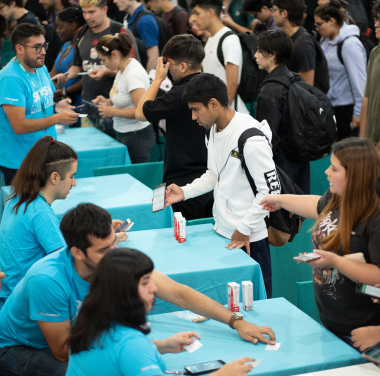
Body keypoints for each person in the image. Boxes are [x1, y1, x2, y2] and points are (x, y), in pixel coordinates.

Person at [0, 203, 275, 375]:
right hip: (21, 348)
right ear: (77, 253)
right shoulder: (47, 280)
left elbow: (179, 292)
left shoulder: (113, 267)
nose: (153, 289)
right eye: (104, 249)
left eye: (114, 243)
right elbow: (63, 351)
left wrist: (235, 319)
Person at [164, 73, 278, 297]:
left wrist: (244, 229)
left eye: (196, 109)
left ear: (214, 104)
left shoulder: (251, 138)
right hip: (223, 232)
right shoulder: (212, 131)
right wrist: (184, 192)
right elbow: (213, 175)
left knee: (255, 305)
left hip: (248, 240)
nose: (193, 116)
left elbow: (271, 191)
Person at [259, 137, 380, 343]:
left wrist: (335, 261)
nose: (327, 172)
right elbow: (317, 206)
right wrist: (280, 200)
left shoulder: (374, 219)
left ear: (355, 175)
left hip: (363, 329)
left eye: (334, 169)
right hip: (332, 321)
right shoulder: (339, 197)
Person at [66, 247, 255, 376]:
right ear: (124, 291)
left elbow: (113, 357)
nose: (154, 288)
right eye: (145, 282)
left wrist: (161, 346)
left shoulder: (93, 322)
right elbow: (128, 351)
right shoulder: (132, 344)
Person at [136, 34, 213, 219]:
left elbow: (140, 113)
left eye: (168, 64)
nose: (166, 69)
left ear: (183, 66)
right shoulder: (213, 85)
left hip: (182, 178)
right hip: (211, 175)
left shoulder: (179, 93)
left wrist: (157, 79)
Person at [0, 136, 77, 308]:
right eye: (72, 176)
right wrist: (106, 242)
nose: (74, 183)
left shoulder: (18, 198)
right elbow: (68, 264)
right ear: (55, 177)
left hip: (8, 295)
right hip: (22, 303)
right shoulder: (41, 213)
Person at [0, 23, 79, 186]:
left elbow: (42, 104)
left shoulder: (39, 67)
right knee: (24, 210)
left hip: (46, 154)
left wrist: (57, 107)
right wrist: (56, 118)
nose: (43, 51)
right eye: (37, 47)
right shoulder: (10, 78)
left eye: (44, 46)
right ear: (19, 49)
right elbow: (19, 125)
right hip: (21, 161)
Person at [255, 30, 310, 194]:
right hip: (300, 154)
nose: (255, 55)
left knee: (284, 213)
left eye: (259, 50)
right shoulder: (296, 78)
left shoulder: (270, 90)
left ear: (272, 55)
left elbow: (268, 135)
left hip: (282, 162)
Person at [65, 0, 129, 136]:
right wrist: (67, 75)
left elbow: (132, 68)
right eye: (84, 12)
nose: (87, 16)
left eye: (92, 12)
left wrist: (106, 72)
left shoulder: (119, 32)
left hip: (115, 109)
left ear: (104, 9)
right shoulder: (81, 32)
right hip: (88, 107)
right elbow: (77, 66)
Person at [92, 33, 156, 163]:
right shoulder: (123, 69)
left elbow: (142, 111)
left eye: (103, 60)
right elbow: (124, 96)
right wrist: (108, 102)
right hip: (126, 133)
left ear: (114, 54)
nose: (103, 65)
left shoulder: (132, 74)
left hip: (137, 136)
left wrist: (112, 112)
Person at [314, 0, 366, 141]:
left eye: (319, 24)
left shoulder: (350, 45)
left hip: (347, 111)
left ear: (331, 21)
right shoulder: (324, 41)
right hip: (332, 108)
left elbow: (360, 84)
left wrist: (357, 115)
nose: (317, 28)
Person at [190, 0, 249, 114]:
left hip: (231, 116)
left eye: (197, 13)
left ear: (210, 12)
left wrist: (222, 114)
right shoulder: (210, 39)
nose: (194, 19)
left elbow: (232, 83)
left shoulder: (229, 39)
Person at [272, 0, 316, 87]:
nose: (272, 14)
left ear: (284, 13)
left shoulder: (303, 45)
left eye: (274, 10)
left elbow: (306, 88)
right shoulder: (288, 39)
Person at [50, 6, 85, 115]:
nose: (57, 31)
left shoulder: (83, 47)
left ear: (72, 25)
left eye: (60, 27)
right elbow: (53, 73)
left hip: (78, 102)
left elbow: (85, 78)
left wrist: (66, 91)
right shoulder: (65, 45)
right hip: (63, 101)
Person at [113, 0, 160, 71]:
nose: (114, 1)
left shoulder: (144, 21)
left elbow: (153, 57)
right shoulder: (128, 19)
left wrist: (148, 81)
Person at [360, 0, 380, 150]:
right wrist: (362, 139)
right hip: (371, 142)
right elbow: (366, 97)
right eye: (376, 19)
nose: (376, 24)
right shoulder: (375, 53)